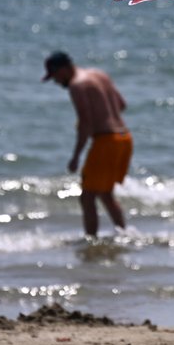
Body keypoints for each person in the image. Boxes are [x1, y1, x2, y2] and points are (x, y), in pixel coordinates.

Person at [42, 51, 132, 237]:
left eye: (56, 77)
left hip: (106, 141)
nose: (57, 82)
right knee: (105, 194)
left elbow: (85, 122)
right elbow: (122, 104)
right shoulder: (99, 75)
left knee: (87, 196)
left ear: (64, 69)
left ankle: (91, 240)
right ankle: (124, 234)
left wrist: (76, 156)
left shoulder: (77, 85)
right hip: (124, 138)